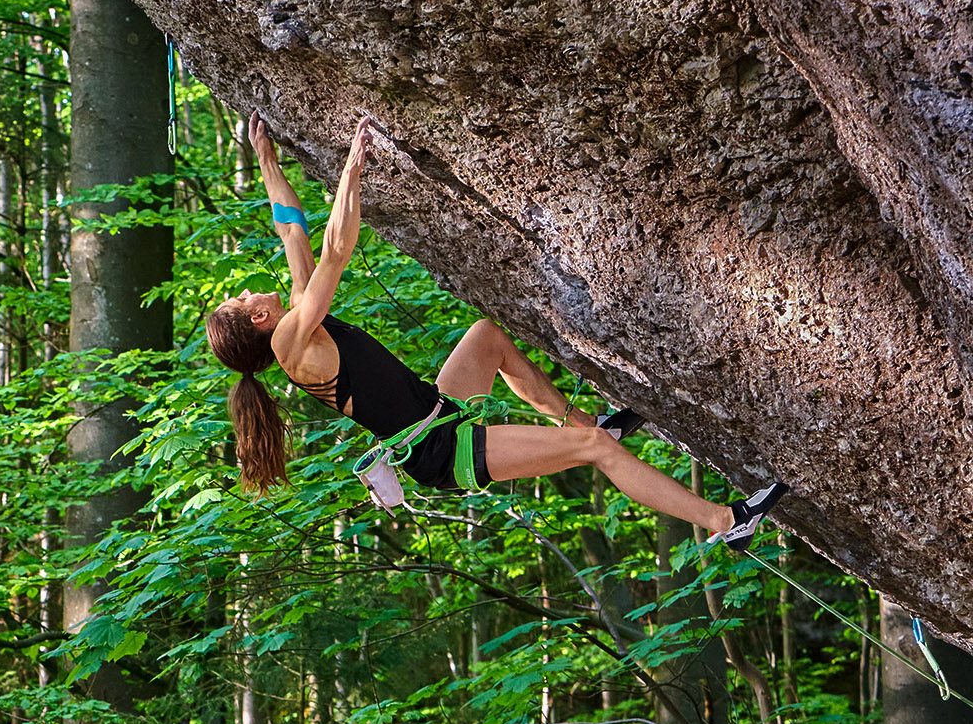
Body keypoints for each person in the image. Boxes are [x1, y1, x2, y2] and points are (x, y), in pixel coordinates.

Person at [205, 110, 787, 549]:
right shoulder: (289, 344)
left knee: (488, 336)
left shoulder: (294, 322)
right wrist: (352, 171)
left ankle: (578, 420)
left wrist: (266, 161)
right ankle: (724, 522)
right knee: (596, 452)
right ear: (258, 321)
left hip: (439, 410)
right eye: (242, 299)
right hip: (441, 449)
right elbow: (335, 250)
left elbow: (294, 234)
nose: (248, 290)